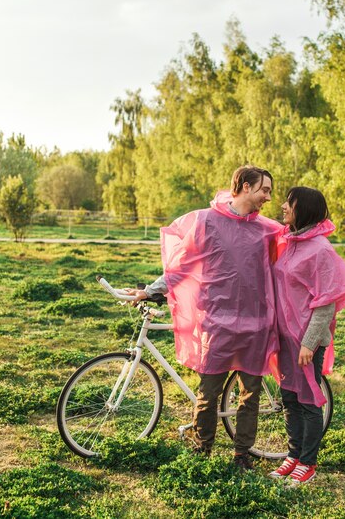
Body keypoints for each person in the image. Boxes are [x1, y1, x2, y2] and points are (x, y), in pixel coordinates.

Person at [125, 165, 281, 471]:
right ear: (245, 187)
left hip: (257, 322)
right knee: (209, 392)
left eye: (271, 192)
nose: (268, 197)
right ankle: (202, 448)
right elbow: (181, 266)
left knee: (251, 395)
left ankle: (242, 454)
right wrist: (149, 290)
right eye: (265, 190)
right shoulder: (206, 222)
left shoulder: (268, 230)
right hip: (217, 322)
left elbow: (295, 261)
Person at [269, 187, 345, 485]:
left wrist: (309, 343)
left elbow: (326, 302)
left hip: (306, 341)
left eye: (290, 203)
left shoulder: (320, 249)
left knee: (308, 401)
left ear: (305, 209)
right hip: (286, 338)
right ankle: (293, 455)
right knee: (289, 398)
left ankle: (307, 462)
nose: (284, 206)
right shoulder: (291, 241)